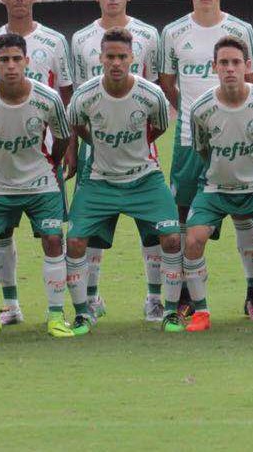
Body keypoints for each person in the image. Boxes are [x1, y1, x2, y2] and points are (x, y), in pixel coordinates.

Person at [159, 0, 253, 319]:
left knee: (243, 213)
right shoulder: (173, 32)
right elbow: (167, 83)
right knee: (185, 214)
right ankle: (188, 293)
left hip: (237, 140)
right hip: (189, 140)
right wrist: (193, 113)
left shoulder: (241, 29)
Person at [0, 0, 74, 327]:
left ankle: (57, 312)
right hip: (1, 158)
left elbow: (66, 96)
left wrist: (70, 150)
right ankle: (10, 305)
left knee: (52, 235)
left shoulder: (54, 41)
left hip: (43, 159)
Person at [66, 28, 183, 334]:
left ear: (132, 58)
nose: (116, 63)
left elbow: (158, 127)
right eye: (110, 57)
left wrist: (136, 149)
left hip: (144, 178)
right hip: (100, 180)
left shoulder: (151, 94)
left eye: (122, 57)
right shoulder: (85, 95)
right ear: (100, 58)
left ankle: (168, 310)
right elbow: (77, 126)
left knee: (171, 238)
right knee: (76, 240)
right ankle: (83, 312)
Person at [182, 37, 253, 332]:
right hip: (215, 188)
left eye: (235, 63)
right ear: (214, 67)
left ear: (246, 66)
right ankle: (201, 312)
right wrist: (224, 171)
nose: (230, 69)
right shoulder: (201, 108)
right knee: (193, 240)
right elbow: (202, 149)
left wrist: (252, 165)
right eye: (223, 63)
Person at [70, 0, 163, 321]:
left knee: (152, 226)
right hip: (96, 147)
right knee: (91, 226)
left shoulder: (148, 35)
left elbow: (152, 95)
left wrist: (143, 138)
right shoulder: (80, 39)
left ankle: (154, 298)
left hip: (140, 148)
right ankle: (92, 298)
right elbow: (79, 99)